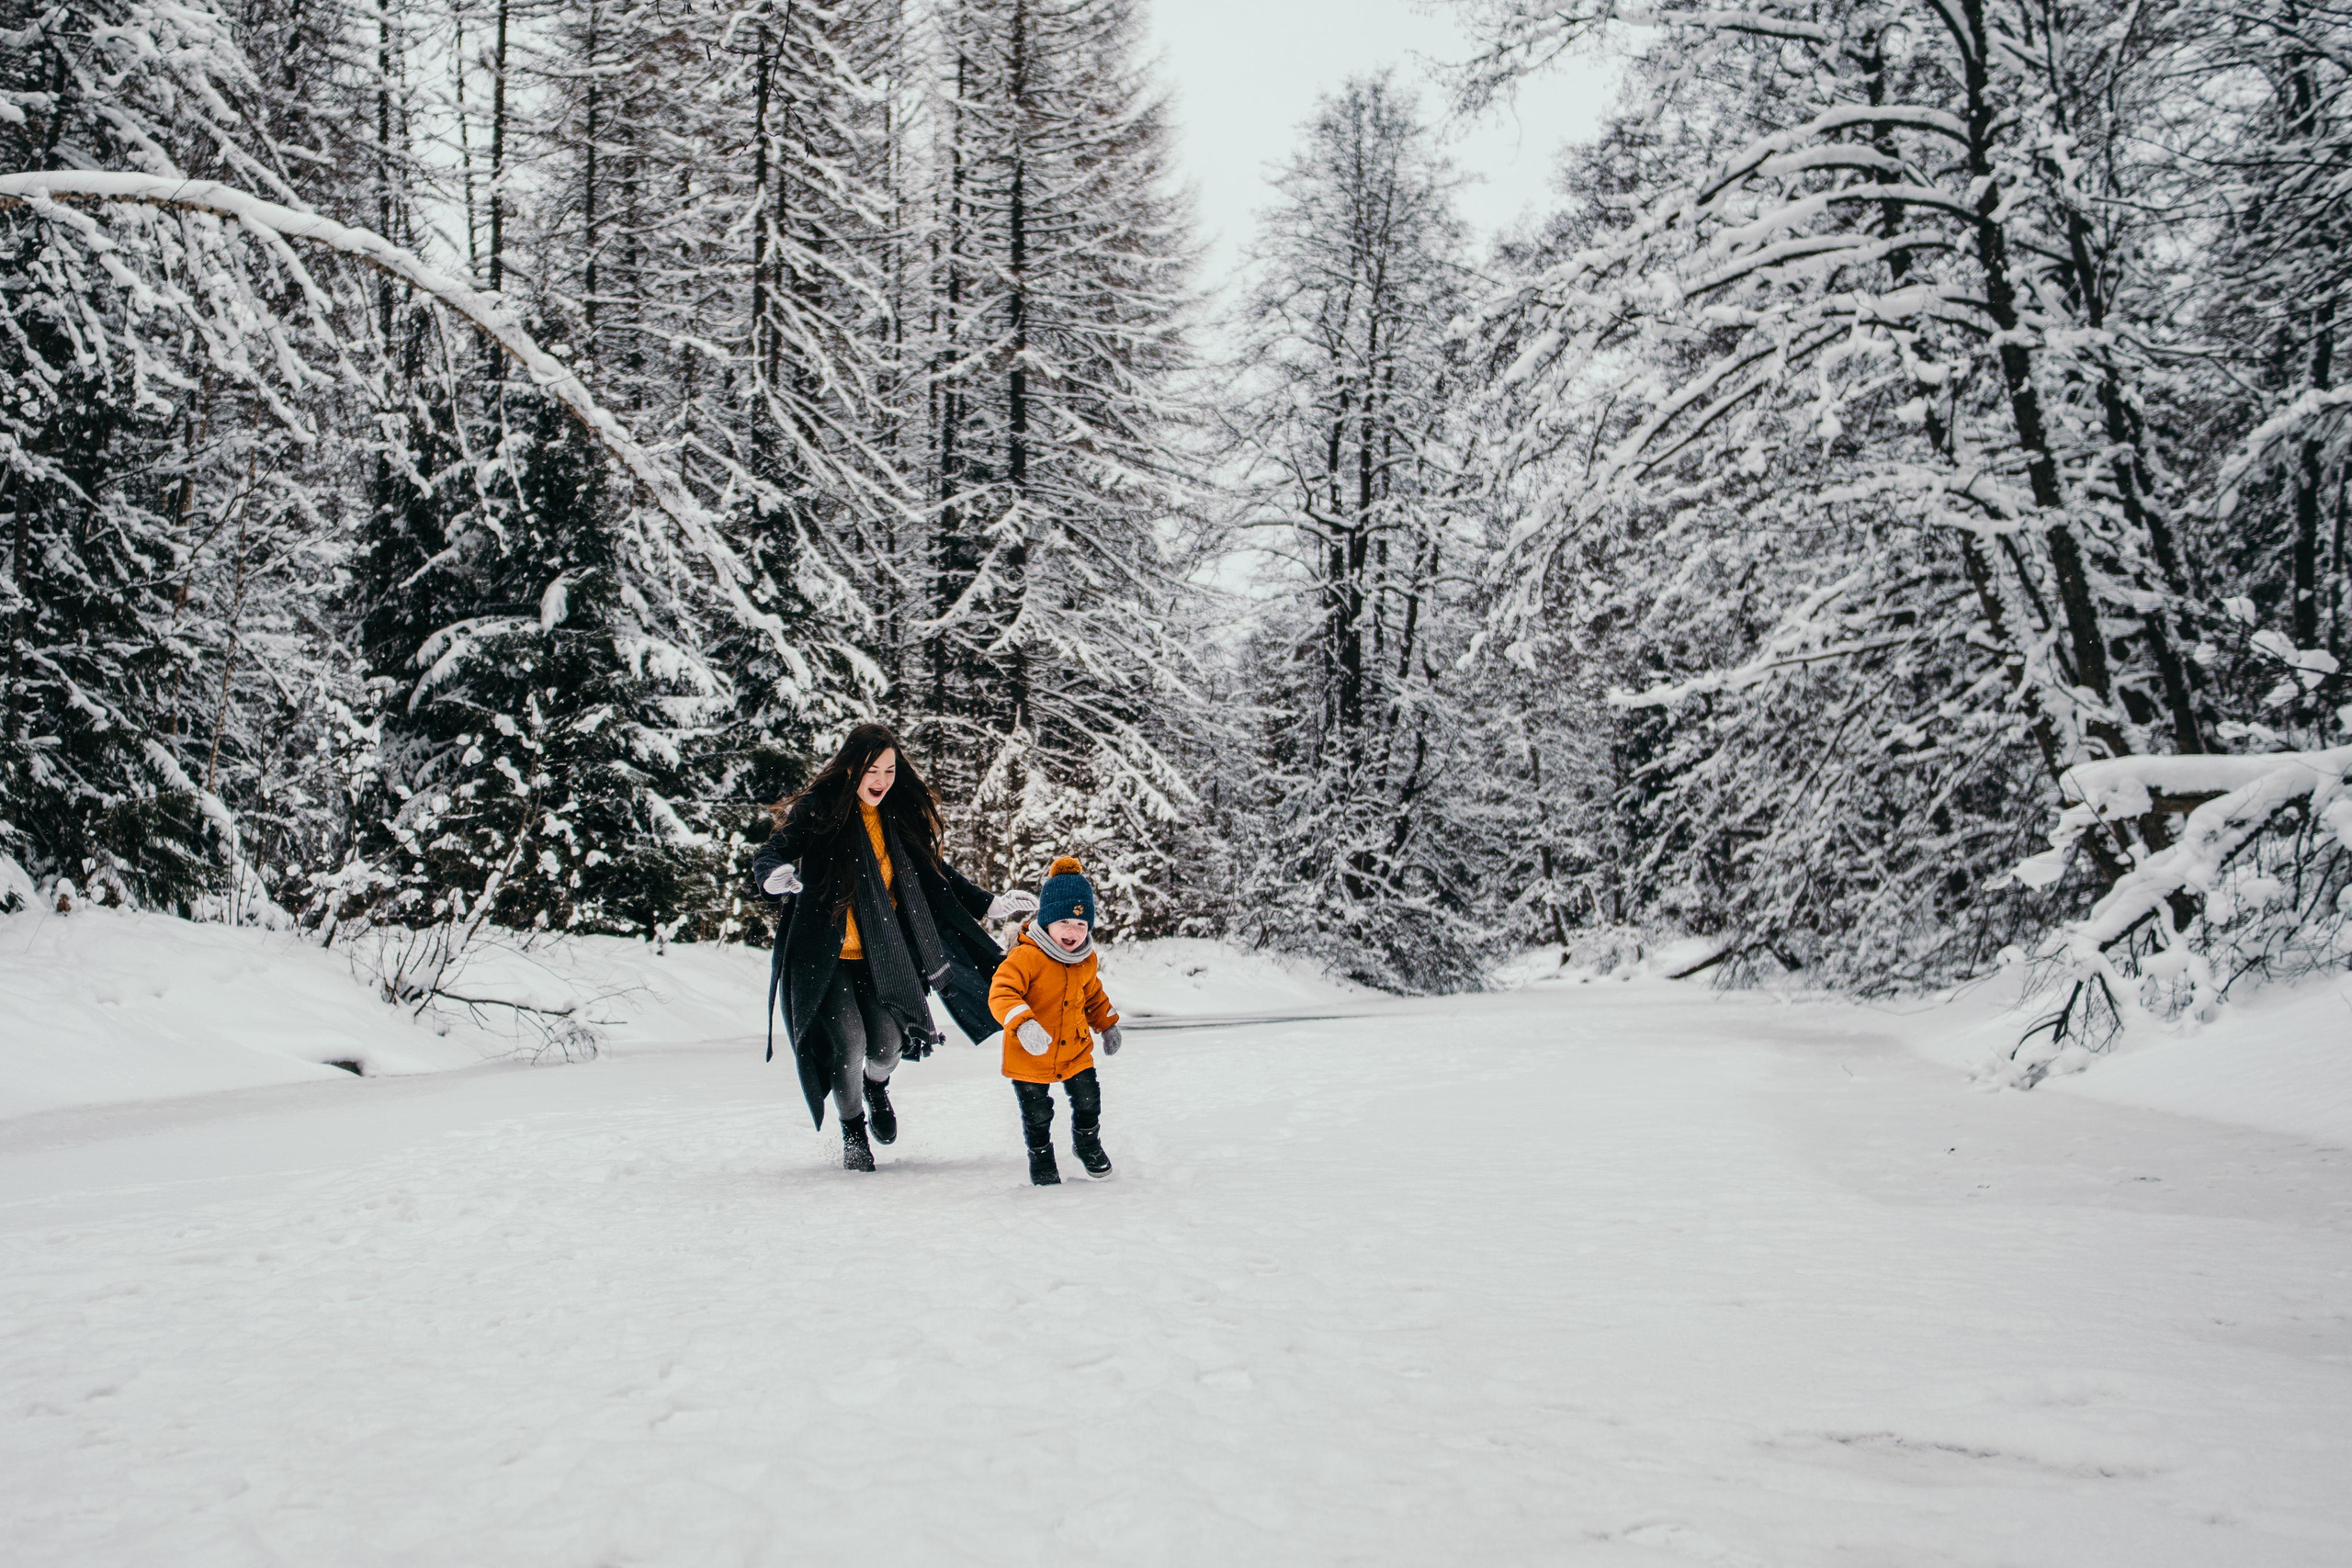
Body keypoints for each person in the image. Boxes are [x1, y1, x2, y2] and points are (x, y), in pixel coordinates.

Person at [751, 723, 1038, 1170]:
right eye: (872, 769)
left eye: (889, 769)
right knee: (848, 1042)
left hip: (879, 955)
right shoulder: (821, 810)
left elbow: (938, 876)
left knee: (886, 1046)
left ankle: (875, 1086)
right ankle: (852, 1132)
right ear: (851, 769)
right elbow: (775, 849)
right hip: (823, 959)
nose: (881, 780)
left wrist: (991, 902)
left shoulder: (897, 818)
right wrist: (772, 877)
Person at [989, 856, 1125, 1186]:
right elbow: (1001, 994)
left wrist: (1106, 1024)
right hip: (1030, 1052)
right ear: (1047, 920)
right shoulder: (1026, 956)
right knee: (1037, 1114)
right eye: (1064, 921)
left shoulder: (1085, 959)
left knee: (1089, 1099)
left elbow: (1093, 994)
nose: (1072, 931)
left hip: (1075, 1049)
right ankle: (1042, 1159)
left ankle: (1087, 1144)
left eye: (1081, 925)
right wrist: (1023, 1023)